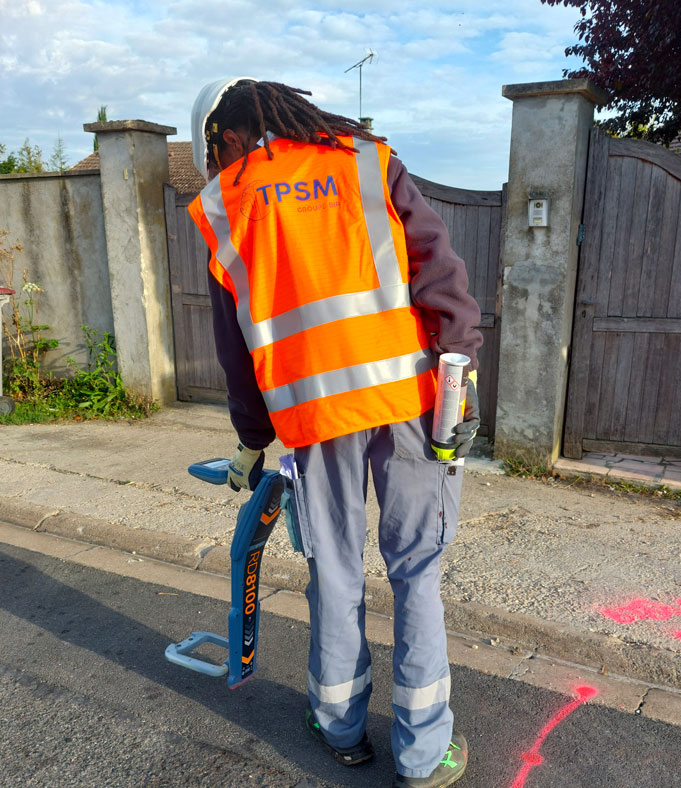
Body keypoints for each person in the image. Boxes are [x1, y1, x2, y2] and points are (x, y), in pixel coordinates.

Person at [188, 77, 483, 788]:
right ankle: (423, 754)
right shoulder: (365, 160)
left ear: (226, 134)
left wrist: (251, 440)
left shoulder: (226, 206)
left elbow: (237, 349)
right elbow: (440, 276)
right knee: (417, 569)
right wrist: (461, 386)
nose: (212, 166)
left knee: (337, 572)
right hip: (411, 404)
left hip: (314, 420)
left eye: (210, 151)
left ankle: (339, 723)